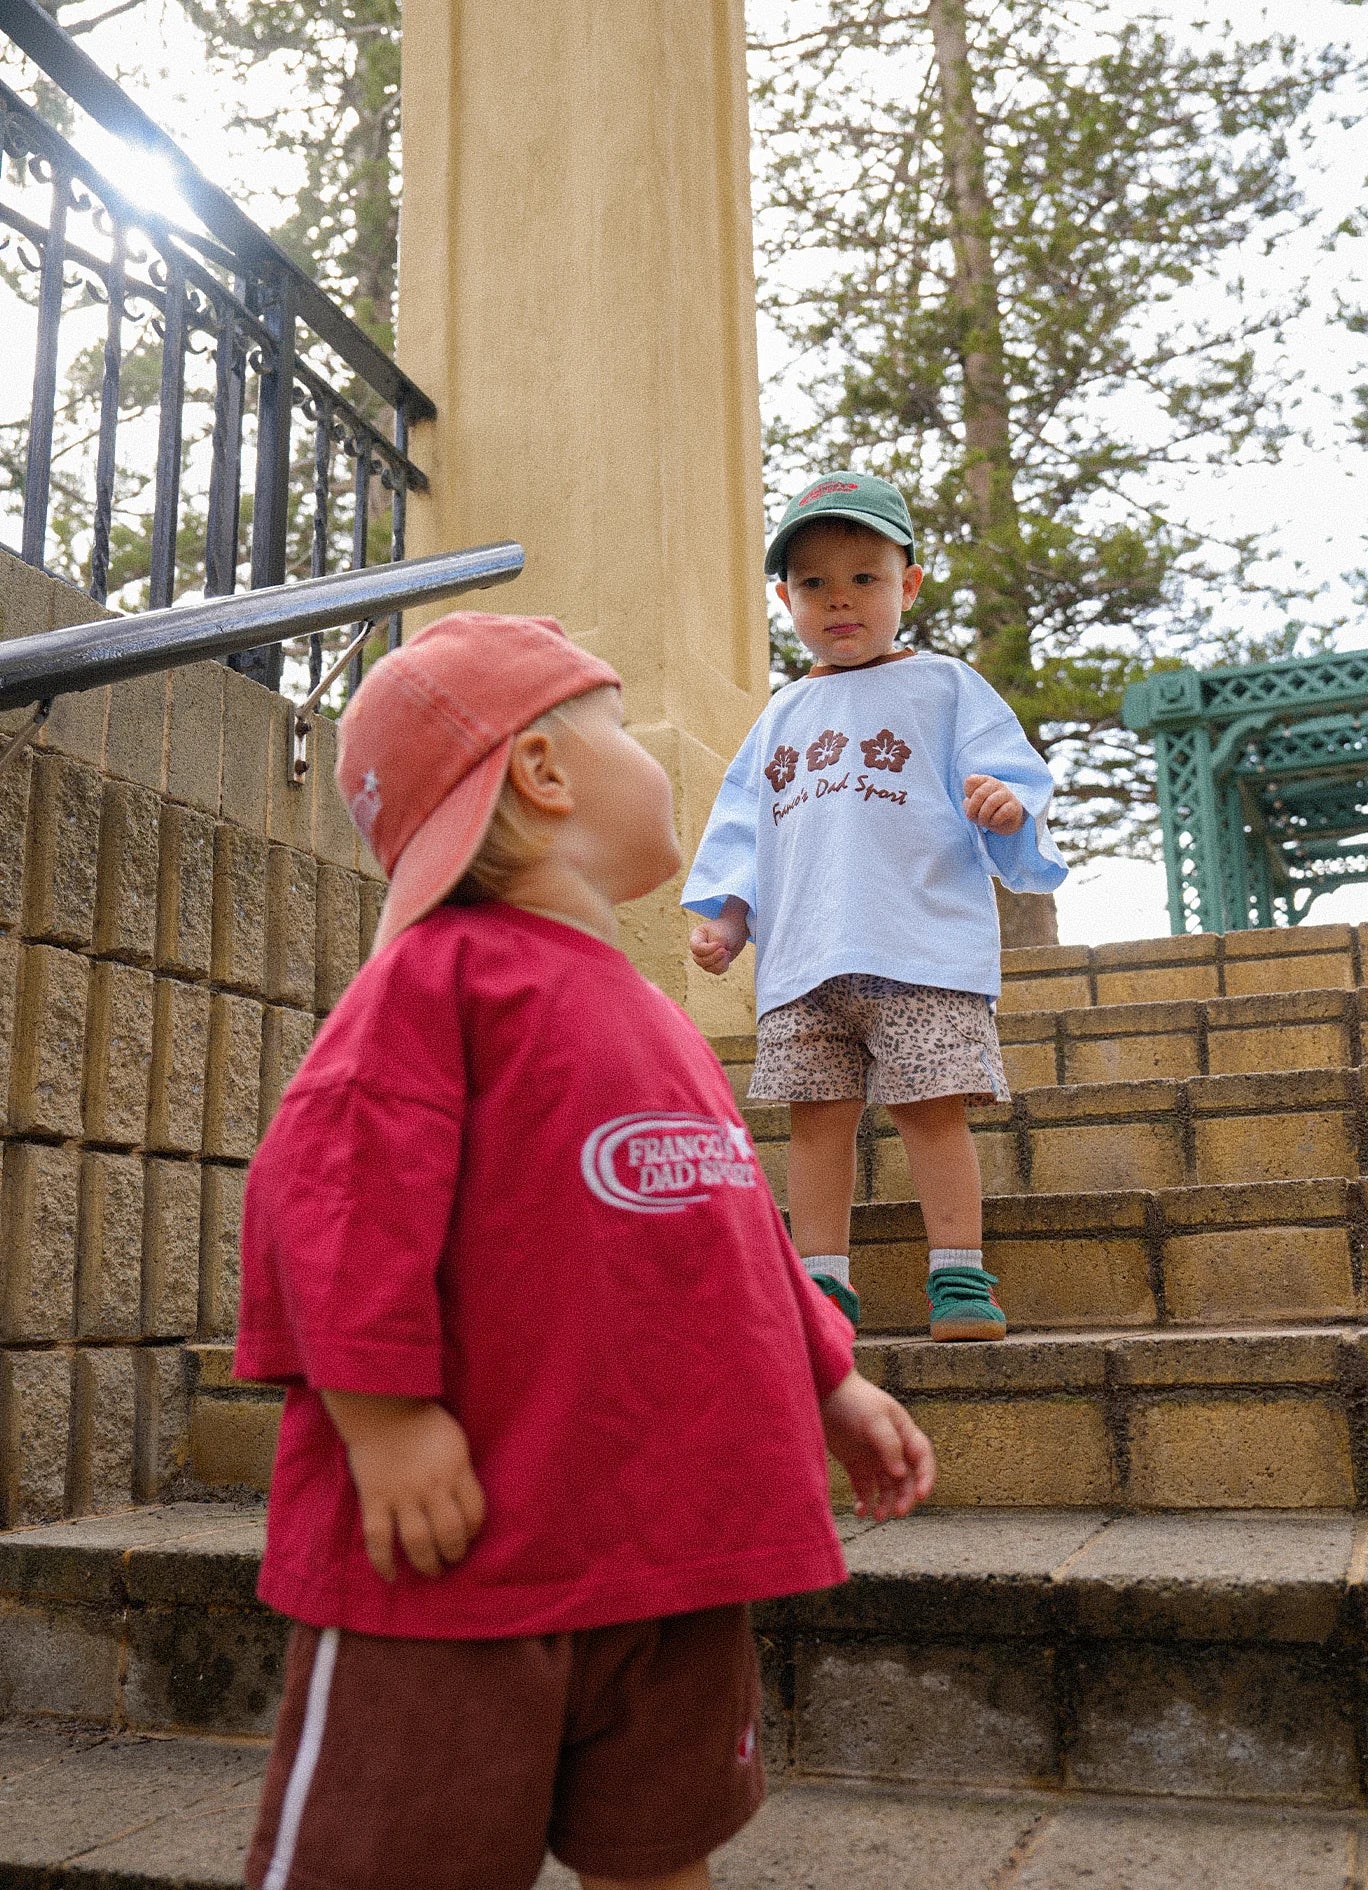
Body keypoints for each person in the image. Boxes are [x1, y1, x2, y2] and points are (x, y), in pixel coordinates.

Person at [235, 611, 935, 1890]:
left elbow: (733, 1232)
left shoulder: (649, 1012)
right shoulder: (437, 983)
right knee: (398, 1853)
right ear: (545, 775)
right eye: (621, 728)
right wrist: (383, 1420)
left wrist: (827, 1377)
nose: (663, 763)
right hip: (460, 1563)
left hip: (668, 1549)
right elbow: (326, 1196)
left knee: (661, 1846)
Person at [684, 473, 1067, 1341]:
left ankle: (960, 1277)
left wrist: (1005, 805)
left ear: (909, 584)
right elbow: (745, 829)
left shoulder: (945, 687)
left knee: (930, 1109)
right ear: (785, 599)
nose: (840, 599)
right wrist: (729, 919)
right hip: (802, 961)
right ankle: (822, 1290)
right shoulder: (782, 713)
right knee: (815, 1122)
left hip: (917, 946)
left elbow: (1006, 771)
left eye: (865, 577)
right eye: (814, 583)